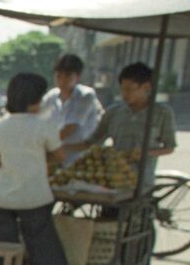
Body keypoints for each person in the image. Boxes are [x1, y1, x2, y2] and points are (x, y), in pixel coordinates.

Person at [0, 74, 78, 265]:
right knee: (46, 253)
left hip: (3, 200)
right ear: (36, 100)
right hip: (35, 199)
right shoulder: (43, 126)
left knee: (3, 252)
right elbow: (60, 156)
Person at [71, 61, 176, 192]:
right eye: (122, 89)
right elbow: (92, 141)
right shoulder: (113, 112)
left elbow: (169, 147)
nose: (125, 94)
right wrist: (61, 147)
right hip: (112, 178)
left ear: (146, 87)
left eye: (130, 89)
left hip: (143, 180)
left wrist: (146, 154)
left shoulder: (162, 113)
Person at [41, 54, 103, 166]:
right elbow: (37, 117)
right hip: (57, 156)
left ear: (78, 77)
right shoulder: (52, 96)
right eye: (59, 76)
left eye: (68, 76)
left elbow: (70, 128)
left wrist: (44, 145)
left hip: (82, 157)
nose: (62, 81)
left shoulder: (85, 96)